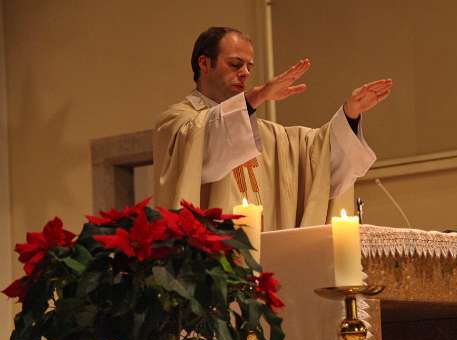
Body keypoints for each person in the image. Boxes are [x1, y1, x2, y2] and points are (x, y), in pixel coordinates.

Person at [153, 26, 392, 230]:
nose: (245, 73)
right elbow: (205, 145)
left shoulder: (267, 135)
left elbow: (317, 158)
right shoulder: (177, 123)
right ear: (204, 63)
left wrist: (350, 114)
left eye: (249, 66)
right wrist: (256, 97)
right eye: (235, 64)